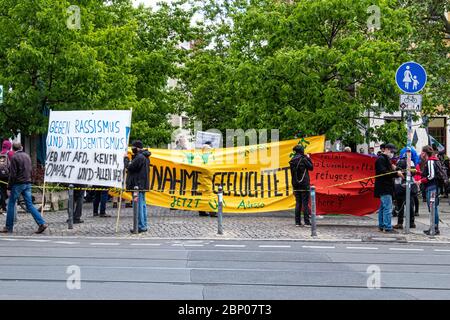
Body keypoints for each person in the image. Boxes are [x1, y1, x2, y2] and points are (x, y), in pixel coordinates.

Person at [0, 142, 48, 234]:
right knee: (29, 205)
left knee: (11, 204)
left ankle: (8, 227)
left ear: (13, 149)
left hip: (18, 183)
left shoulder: (14, 157)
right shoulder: (27, 156)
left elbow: (13, 174)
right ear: (21, 147)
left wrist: (9, 187)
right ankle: (41, 223)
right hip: (27, 182)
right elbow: (30, 169)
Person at [374, 143, 403, 233]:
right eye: (391, 151)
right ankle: (387, 226)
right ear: (386, 149)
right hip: (384, 187)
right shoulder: (381, 159)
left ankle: (382, 225)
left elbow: (389, 170)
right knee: (387, 208)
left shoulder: (386, 159)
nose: (392, 153)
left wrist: (396, 169)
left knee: (383, 207)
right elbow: (384, 173)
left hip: (386, 186)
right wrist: (396, 173)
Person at [124, 140, 151, 233]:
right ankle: (143, 225)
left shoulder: (139, 157)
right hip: (141, 185)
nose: (132, 149)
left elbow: (129, 167)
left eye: (133, 147)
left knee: (139, 206)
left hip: (138, 185)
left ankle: (140, 226)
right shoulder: (144, 157)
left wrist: (126, 159)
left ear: (138, 147)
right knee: (142, 205)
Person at [417, 145, 441, 235]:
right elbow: (428, 174)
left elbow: (431, 176)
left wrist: (420, 181)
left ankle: (434, 228)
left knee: (432, 208)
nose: (421, 154)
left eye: (422, 152)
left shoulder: (430, 161)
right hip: (433, 187)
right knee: (433, 208)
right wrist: (417, 172)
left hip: (432, 188)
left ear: (425, 153)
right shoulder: (432, 160)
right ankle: (434, 227)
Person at [289, 145, 313, 227]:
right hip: (304, 183)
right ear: (302, 151)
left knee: (298, 203)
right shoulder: (304, 159)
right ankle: (307, 222)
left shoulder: (292, 160)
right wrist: (308, 158)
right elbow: (311, 167)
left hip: (295, 183)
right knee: (305, 203)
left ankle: (297, 222)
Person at [393, 152, 417, 229]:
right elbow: (413, 173)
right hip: (409, 185)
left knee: (400, 206)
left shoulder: (398, 161)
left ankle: (400, 223)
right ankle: (411, 222)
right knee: (410, 205)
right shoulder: (411, 162)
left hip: (399, 185)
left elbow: (396, 173)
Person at [0, 140, 14, 214]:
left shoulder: (0, 153)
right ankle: (9, 206)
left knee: (2, 190)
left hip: (0, 175)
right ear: (9, 145)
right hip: (8, 175)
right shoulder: (10, 153)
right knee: (9, 189)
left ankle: (3, 206)